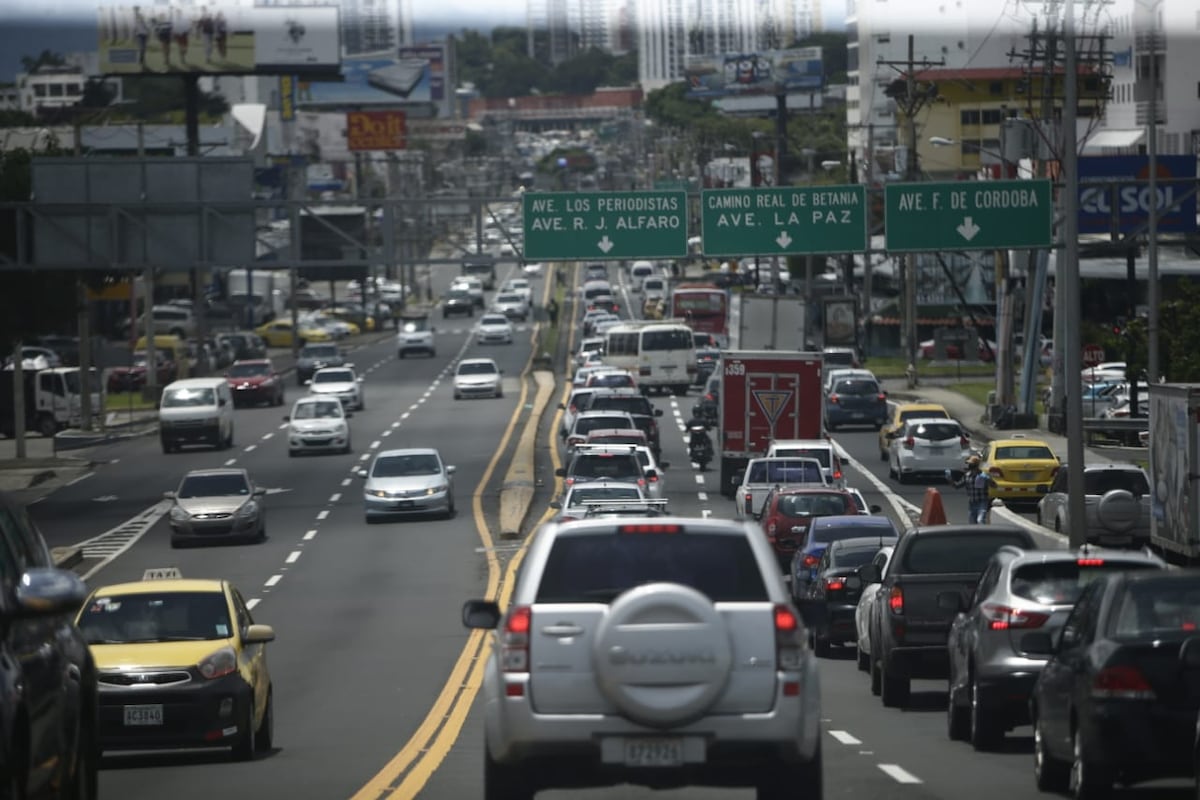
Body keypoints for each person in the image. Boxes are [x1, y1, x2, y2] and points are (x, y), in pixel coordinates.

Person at [949, 455, 991, 524]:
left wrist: (987, 479)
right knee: (972, 522)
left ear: (976, 465)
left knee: (980, 520)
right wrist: (950, 480)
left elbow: (994, 485)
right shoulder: (967, 476)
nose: (969, 465)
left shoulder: (983, 475)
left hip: (982, 502)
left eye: (971, 464)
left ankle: (983, 531)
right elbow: (957, 486)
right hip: (972, 502)